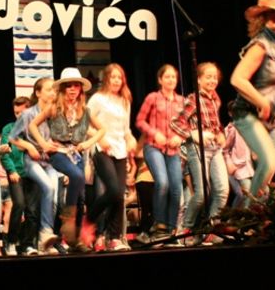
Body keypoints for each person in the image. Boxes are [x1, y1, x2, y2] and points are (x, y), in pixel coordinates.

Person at [229, 0, 275, 201]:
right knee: (268, 162)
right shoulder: (260, 46)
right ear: (264, 17)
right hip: (248, 114)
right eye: (274, 13)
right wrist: (262, 102)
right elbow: (237, 79)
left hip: (273, 119)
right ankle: (248, 217)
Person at [28, 67, 105, 250]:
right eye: (68, 86)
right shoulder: (54, 107)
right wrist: (44, 143)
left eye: (76, 86)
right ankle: (67, 222)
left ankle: (74, 239)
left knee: (80, 197)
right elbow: (32, 125)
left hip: (76, 155)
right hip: (58, 153)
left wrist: (88, 143)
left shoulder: (84, 111)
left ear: (80, 89)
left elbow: (102, 129)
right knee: (77, 178)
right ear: (62, 89)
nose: (72, 89)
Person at [170, 62, 229, 237]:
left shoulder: (215, 99)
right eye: (208, 76)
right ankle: (185, 229)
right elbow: (175, 122)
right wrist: (192, 134)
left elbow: (213, 124)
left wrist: (220, 134)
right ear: (199, 79)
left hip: (214, 148)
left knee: (222, 190)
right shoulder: (193, 99)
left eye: (215, 77)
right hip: (197, 148)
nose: (212, 80)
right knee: (202, 193)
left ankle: (211, 230)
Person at [8, 78, 62, 255]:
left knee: (54, 198)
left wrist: (54, 144)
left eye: (54, 90)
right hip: (31, 161)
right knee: (46, 187)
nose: (52, 93)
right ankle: (44, 233)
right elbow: (12, 138)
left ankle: (44, 243)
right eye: (48, 89)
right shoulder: (28, 114)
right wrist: (30, 146)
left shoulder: (54, 113)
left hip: (48, 161)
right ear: (38, 93)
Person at [87, 63, 136, 251]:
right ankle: (90, 221)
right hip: (101, 148)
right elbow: (85, 125)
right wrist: (101, 138)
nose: (117, 80)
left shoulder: (125, 101)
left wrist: (131, 141)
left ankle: (113, 237)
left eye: (119, 77)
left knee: (119, 196)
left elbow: (126, 130)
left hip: (120, 150)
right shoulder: (98, 99)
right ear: (106, 78)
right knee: (114, 190)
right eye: (113, 77)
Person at [135, 64, 184, 241]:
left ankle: (170, 230)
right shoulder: (153, 97)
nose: (171, 80)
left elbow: (187, 124)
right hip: (153, 147)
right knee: (163, 183)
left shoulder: (181, 101)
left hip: (173, 150)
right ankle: (159, 223)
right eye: (167, 77)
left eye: (173, 77)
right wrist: (154, 132)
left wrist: (180, 135)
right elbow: (140, 121)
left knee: (177, 188)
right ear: (160, 80)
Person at [0, 96, 32, 256]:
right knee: (19, 204)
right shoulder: (8, 129)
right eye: (16, 112)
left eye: (22, 112)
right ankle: (11, 242)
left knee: (32, 209)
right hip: (16, 174)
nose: (19, 115)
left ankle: (27, 244)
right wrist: (11, 171)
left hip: (33, 174)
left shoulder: (35, 128)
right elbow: (4, 153)